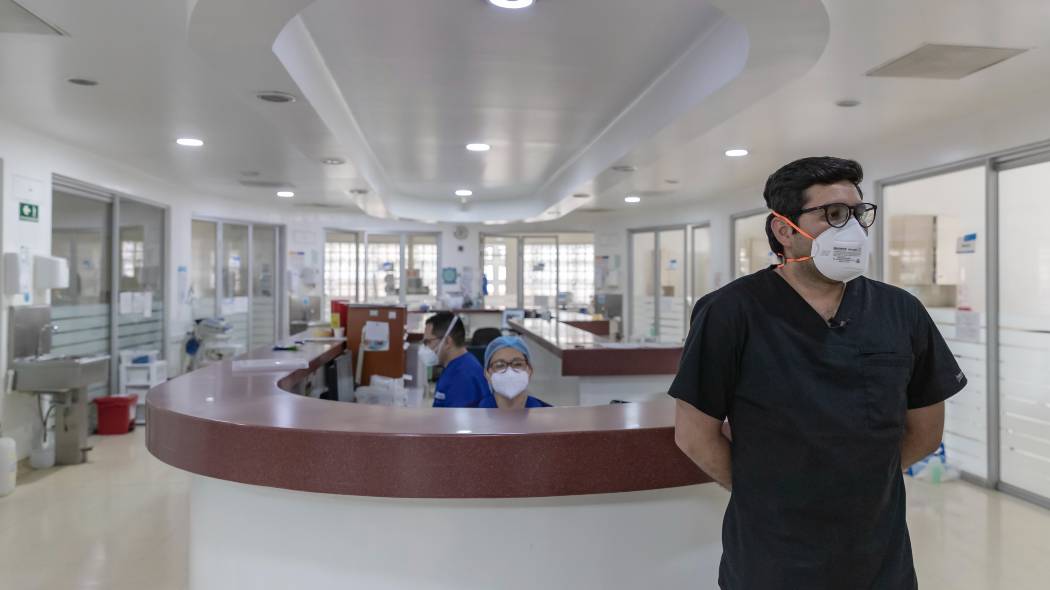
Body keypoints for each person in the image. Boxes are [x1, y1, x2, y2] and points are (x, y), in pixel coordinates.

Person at [669, 156, 966, 590]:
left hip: (878, 560)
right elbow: (694, 435)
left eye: (858, 214)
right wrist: (769, 492)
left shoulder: (900, 311)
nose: (853, 229)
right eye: (834, 214)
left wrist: (858, 484)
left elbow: (925, 432)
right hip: (771, 559)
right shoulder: (730, 312)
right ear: (784, 230)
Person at [422, 312, 490, 408]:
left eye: (428, 342)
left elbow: (454, 417)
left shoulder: (463, 377)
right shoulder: (454, 366)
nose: (425, 347)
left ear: (447, 342)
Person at [478, 336, 551, 409]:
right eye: (500, 365)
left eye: (517, 364)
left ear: (530, 370)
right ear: (487, 374)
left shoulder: (548, 413)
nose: (509, 373)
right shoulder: (475, 413)